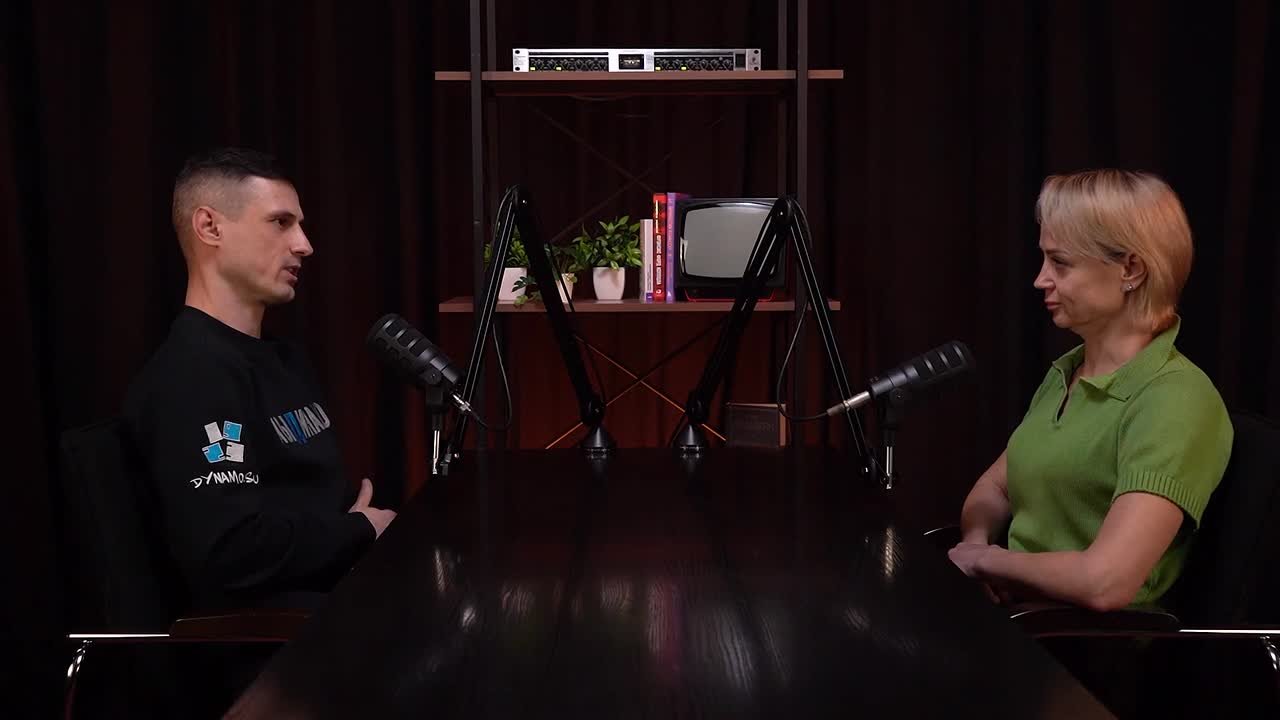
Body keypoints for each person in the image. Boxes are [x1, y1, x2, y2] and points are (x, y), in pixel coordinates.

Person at [124, 147, 396, 614]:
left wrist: (351, 533)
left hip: (338, 598)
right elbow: (230, 552)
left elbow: (311, 505)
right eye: (280, 223)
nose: (304, 245)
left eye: (300, 225)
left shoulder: (284, 361)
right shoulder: (193, 378)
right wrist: (357, 531)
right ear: (210, 227)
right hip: (276, 638)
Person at [949, 169, 1232, 611]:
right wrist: (975, 543)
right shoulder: (1067, 372)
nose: (1040, 279)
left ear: (1130, 269)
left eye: (1060, 263)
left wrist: (989, 562)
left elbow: (1106, 582)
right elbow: (996, 487)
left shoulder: (1176, 399)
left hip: (1081, 642)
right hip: (1017, 618)